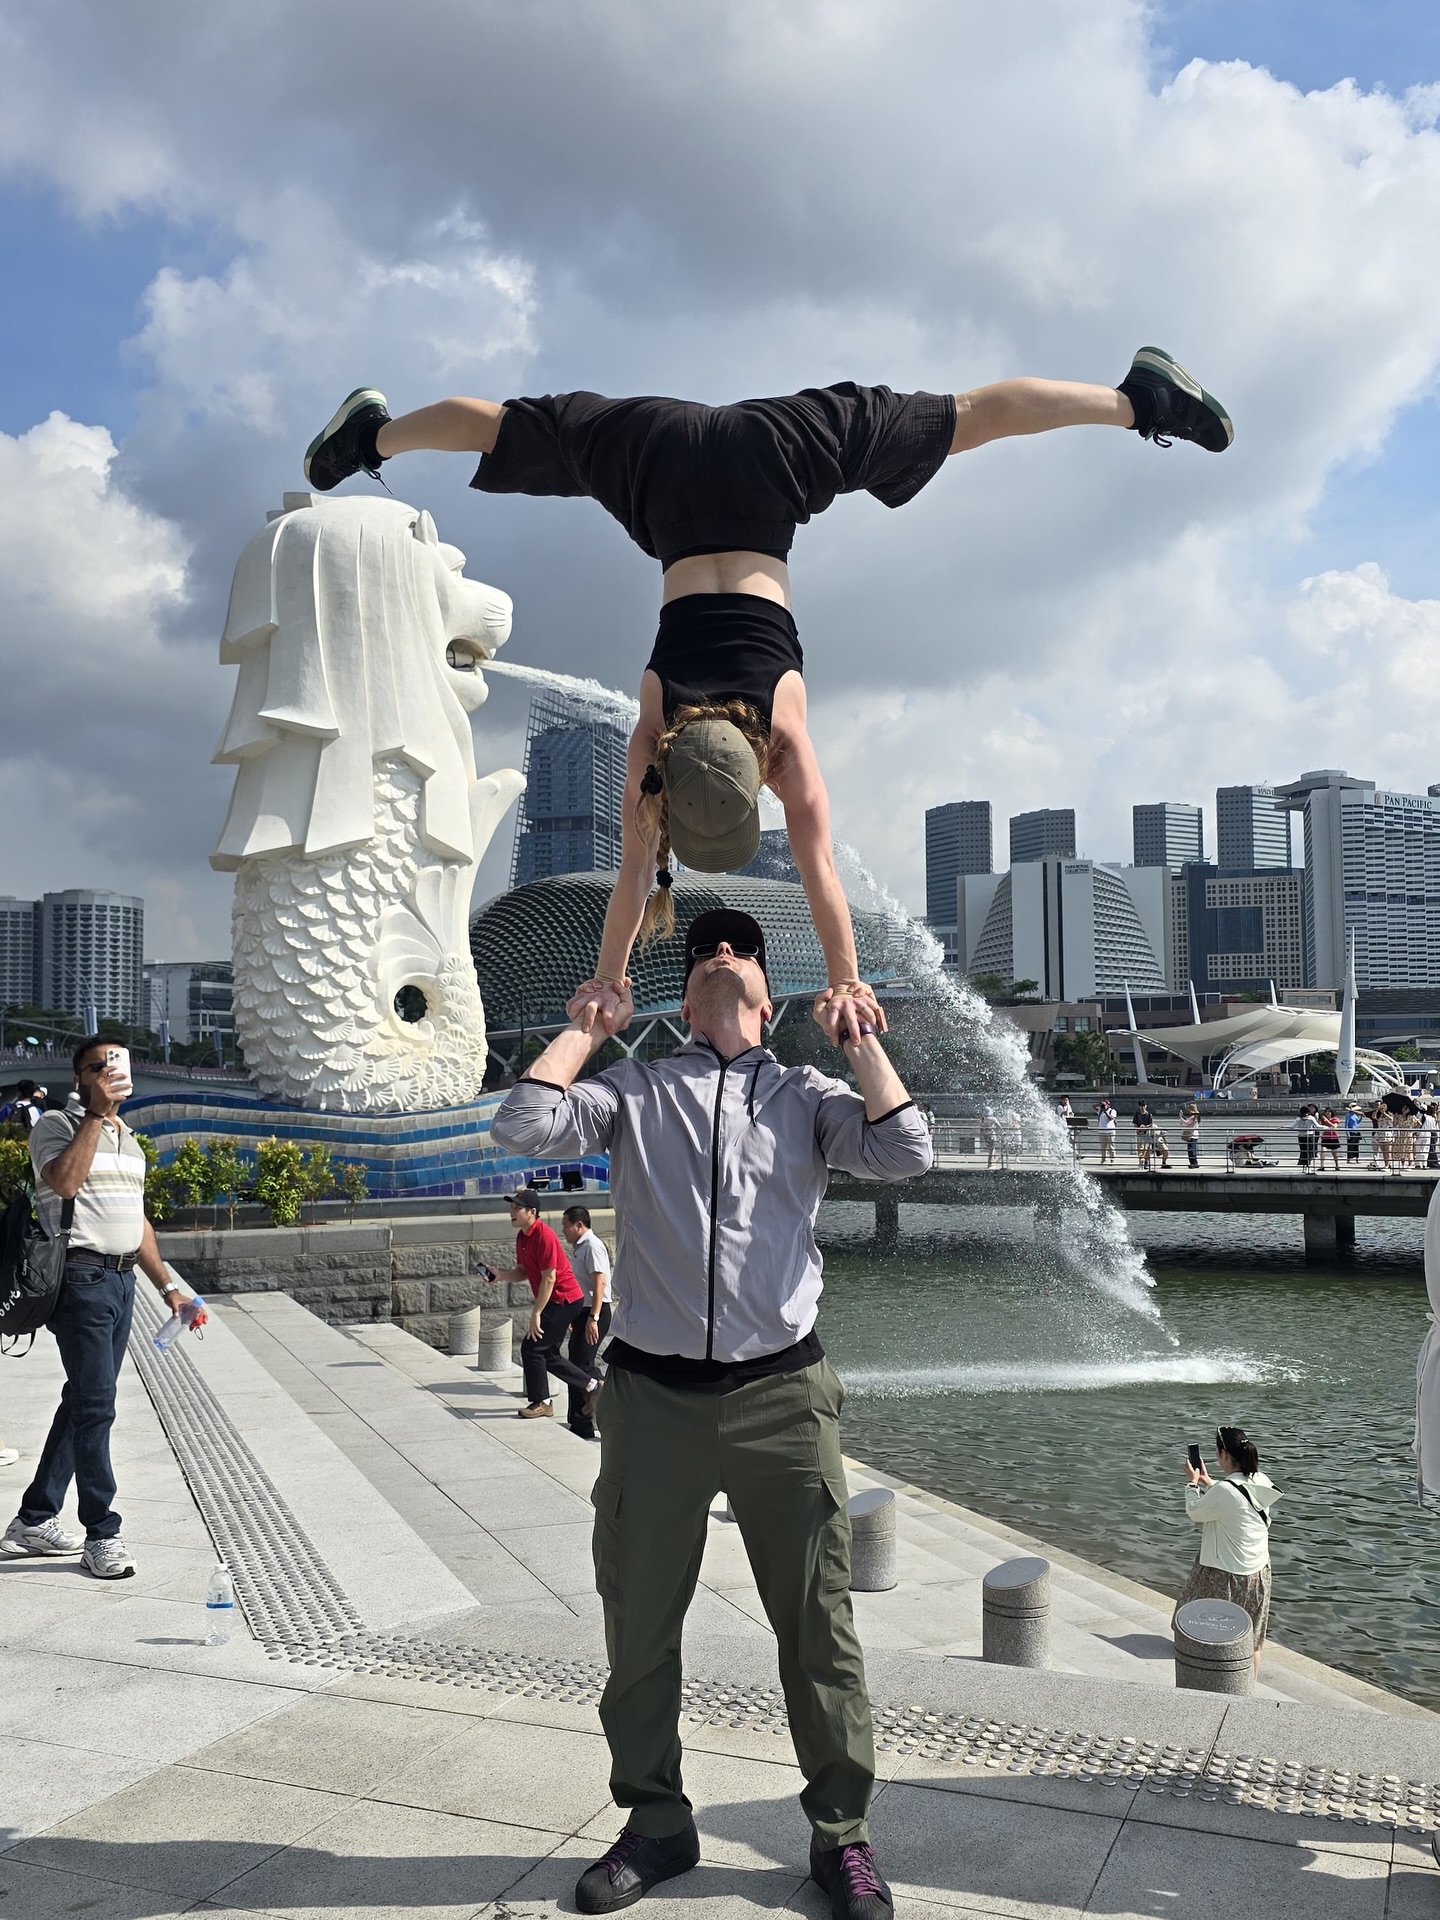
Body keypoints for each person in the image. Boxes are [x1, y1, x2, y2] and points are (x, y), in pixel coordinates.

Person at [304, 353, 1232, 1050]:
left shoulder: (784, 737)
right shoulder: (657, 734)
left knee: (966, 418)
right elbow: (635, 875)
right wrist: (607, 976)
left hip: (772, 464)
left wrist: (845, 983)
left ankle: (371, 436)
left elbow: (819, 872)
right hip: (661, 461)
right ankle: (1133, 402)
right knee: (514, 426)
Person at [490, 907, 932, 1919]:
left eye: (740, 950)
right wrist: (589, 1027)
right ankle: (655, 1822)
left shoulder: (809, 1096)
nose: (721, 954)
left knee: (817, 1625)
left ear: (770, 1000)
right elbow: (520, 1124)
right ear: (684, 998)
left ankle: (842, 1836)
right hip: (651, 1396)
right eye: (704, 955)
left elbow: (906, 1153)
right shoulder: (635, 1091)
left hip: (782, 1393)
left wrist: (858, 1040)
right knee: (639, 1622)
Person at [0, 1036, 206, 1578]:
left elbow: (136, 1223)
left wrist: (169, 1288)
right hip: (80, 1278)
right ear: (80, 1079)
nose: (112, 1071)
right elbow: (64, 1182)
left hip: (121, 1283)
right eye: (99, 1065)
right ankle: (101, 1533)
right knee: (97, 1407)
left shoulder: (129, 1140)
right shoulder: (57, 1126)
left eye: (118, 1062)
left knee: (84, 1402)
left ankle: (35, 1519)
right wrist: (93, 1115)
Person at [484, 1189, 600, 1420]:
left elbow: (550, 1277)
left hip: (565, 1299)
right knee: (547, 1353)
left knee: (531, 1347)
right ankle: (592, 1387)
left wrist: (536, 1313)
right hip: (555, 1300)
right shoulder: (523, 1237)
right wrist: (501, 1275)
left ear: (532, 1212)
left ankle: (543, 1402)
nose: (512, 1212)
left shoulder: (544, 1236)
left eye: (518, 1208)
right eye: (512, 1208)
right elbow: (522, 1272)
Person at [1176, 1425, 1281, 1678]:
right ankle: (1248, 1690)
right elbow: (1236, 1502)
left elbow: (1195, 1511)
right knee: (1251, 1640)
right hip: (1259, 1575)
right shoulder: (1260, 1480)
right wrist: (1209, 1482)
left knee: (1199, 1627)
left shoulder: (1225, 1490)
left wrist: (1192, 1484)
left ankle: (1211, 1679)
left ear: (1223, 1454)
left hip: (1224, 1574)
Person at [562, 1204, 613, 1441]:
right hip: (583, 1313)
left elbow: (599, 1283)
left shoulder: (592, 1246)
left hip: (596, 1312)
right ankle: (579, 1422)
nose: (564, 1231)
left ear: (579, 1225)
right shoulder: (580, 1248)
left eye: (566, 1225)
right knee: (575, 1363)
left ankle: (601, 1391)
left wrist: (592, 1317)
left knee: (582, 1365)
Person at [1095, 1099, 1118, 1165]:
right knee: (1103, 1147)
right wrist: (1099, 1104)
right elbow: (1093, 1107)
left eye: (1105, 1104)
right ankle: (1103, 1159)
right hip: (1101, 1132)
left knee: (1111, 1147)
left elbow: (1111, 1118)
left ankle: (1112, 1159)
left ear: (1108, 1105)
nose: (1104, 1106)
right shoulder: (1100, 1111)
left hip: (1110, 1131)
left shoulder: (1112, 1111)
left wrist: (1105, 1111)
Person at [1318, 1107, 1341, 1173]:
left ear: (1331, 1113)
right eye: (1326, 1112)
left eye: (1329, 1112)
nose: (1327, 1113)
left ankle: (1337, 1165)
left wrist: (1327, 1121)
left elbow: (1334, 1126)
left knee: (1334, 1153)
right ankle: (1322, 1166)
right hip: (1325, 1137)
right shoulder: (1323, 1120)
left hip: (1333, 1137)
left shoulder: (1335, 1119)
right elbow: (1319, 1125)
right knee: (1323, 1151)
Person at [1132, 1100, 1154, 1167]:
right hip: (1139, 1133)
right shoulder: (1137, 1114)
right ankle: (1141, 1160)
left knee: (1148, 1147)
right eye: (1141, 1106)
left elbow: (1151, 1124)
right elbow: (1135, 1123)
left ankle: (1146, 1161)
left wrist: (1144, 1127)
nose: (1142, 1107)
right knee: (1140, 1148)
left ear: (1146, 1106)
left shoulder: (1149, 1114)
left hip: (1147, 1133)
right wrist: (1138, 1128)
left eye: (1143, 1106)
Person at [1179, 1102, 1201, 1170]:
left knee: (1190, 1150)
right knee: (1193, 1149)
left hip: (1191, 1135)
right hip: (1195, 1135)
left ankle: (1193, 1163)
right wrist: (1183, 1117)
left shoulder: (1193, 1117)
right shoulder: (1197, 1117)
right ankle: (1195, 1162)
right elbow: (1188, 1121)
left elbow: (1186, 1122)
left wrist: (1180, 1116)